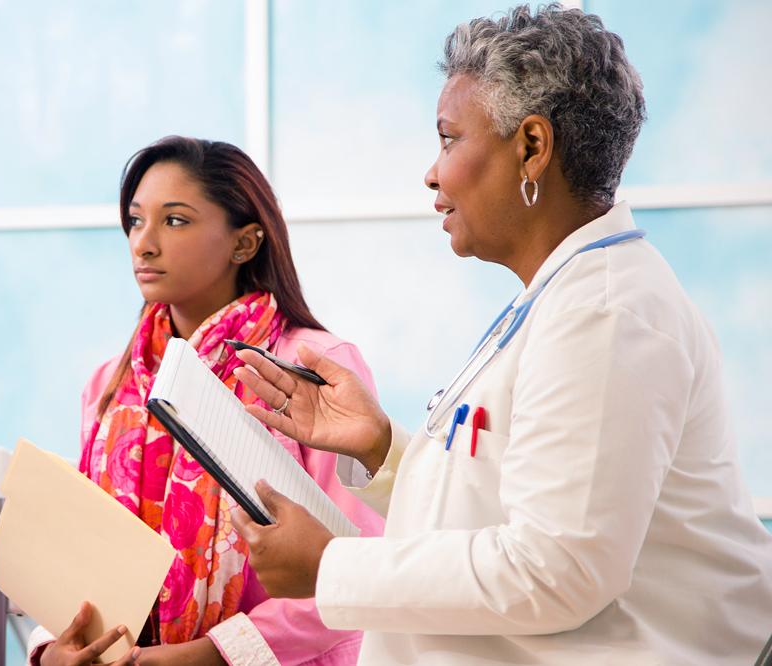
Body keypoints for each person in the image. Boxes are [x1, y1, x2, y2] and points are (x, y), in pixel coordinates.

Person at [229, 5, 772, 665]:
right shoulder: (564, 297)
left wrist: (330, 568)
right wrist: (380, 448)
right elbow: (506, 504)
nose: (433, 173)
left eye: (450, 139)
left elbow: (556, 570)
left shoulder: (605, 315)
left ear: (532, 148)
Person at [30, 136, 385, 666]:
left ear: (245, 243)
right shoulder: (111, 381)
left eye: (175, 221)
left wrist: (213, 655)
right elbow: (87, 554)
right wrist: (55, 650)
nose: (143, 243)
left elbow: (355, 566)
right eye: (135, 220)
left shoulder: (313, 368)